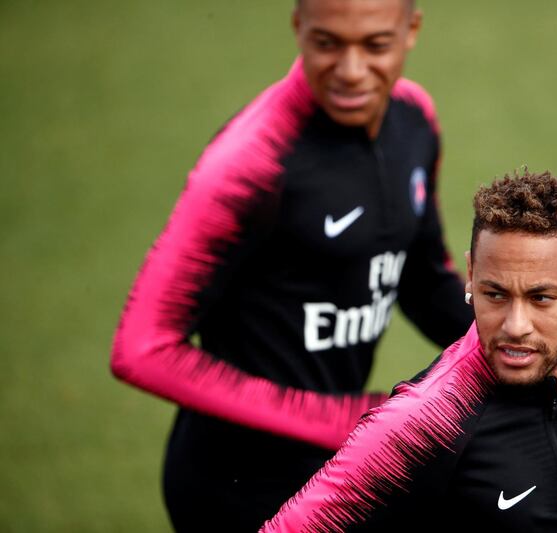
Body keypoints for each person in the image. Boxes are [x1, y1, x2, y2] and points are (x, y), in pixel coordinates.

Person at [109, 0, 472, 531]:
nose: (351, 71)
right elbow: (142, 349)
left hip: (342, 464)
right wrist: (331, 417)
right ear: (298, 26)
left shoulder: (414, 120)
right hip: (235, 485)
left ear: (411, 30)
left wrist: (523, 347)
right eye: (327, 43)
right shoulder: (252, 160)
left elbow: (418, 275)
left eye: (375, 45)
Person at [261, 170, 557, 532]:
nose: (515, 325)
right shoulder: (426, 420)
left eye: (540, 298)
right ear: (470, 275)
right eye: (495, 294)